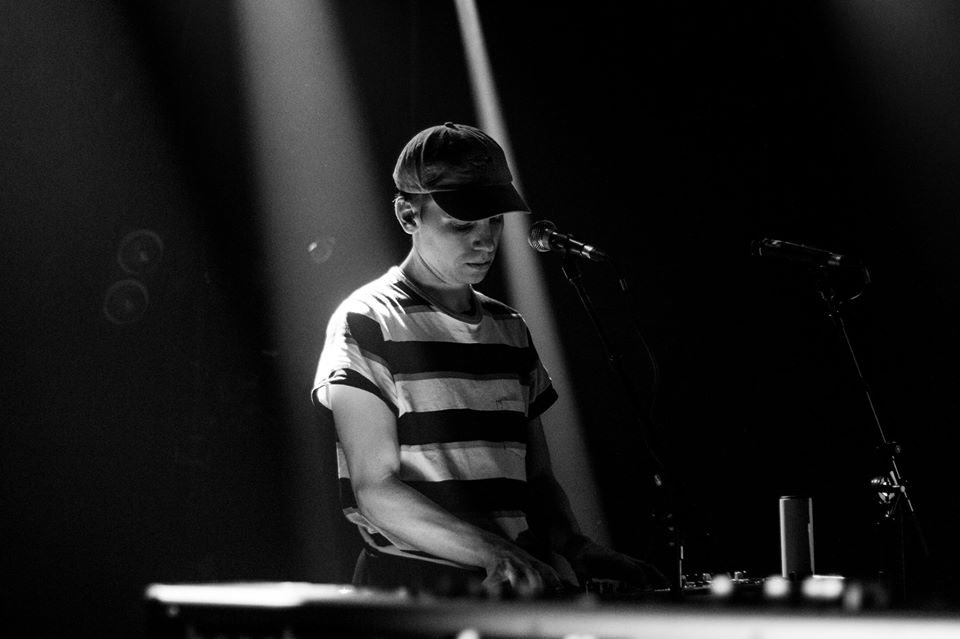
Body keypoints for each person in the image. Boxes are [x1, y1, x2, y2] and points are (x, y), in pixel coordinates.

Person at [312, 122, 663, 597]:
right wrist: (495, 553)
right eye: (462, 224)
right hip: (414, 591)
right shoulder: (367, 320)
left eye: (494, 221)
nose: (486, 240)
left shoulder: (509, 327)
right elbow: (375, 489)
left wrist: (575, 546)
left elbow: (537, 479)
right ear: (407, 214)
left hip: (513, 589)